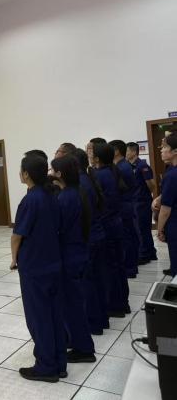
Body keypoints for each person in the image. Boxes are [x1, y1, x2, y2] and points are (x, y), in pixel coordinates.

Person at [11, 155, 66, 382]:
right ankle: (59, 363)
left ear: (26, 174)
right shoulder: (52, 195)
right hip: (53, 262)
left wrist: (13, 258)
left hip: (34, 266)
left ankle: (46, 366)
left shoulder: (30, 200)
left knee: (38, 317)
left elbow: (17, 235)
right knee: (54, 315)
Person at [50, 155, 96, 362]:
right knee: (74, 302)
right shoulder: (76, 191)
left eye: (53, 170)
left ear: (60, 173)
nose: (50, 173)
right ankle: (77, 341)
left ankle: (84, 349)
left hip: (70, 256)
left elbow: (58, 227)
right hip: (78, 252)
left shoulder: (66, 197)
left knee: (72, 305)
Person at [92, 142, 130, 317]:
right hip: (116, 222)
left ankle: (115, 306)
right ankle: (123, 302)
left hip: (107, 225)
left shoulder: (100, 175)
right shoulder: (113, 171)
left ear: (97, 158)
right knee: (118, 265)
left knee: (111, 267)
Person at [74, 148, 109, 335]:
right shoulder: (87, 178)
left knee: (88, 282)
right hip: (96, 235)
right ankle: (100, 319)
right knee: (96, 279)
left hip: (89, 239)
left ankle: (94, 323)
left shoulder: (80, 184)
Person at [109, 139, 139, 278]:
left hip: (124, 205)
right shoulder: (122, 165)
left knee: (127, 238)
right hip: (126, 204)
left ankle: (130, 268)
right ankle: (131, 266)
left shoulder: (121, 167)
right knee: (129, 237)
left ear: (116, 151)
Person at [126, 142, 157, 263]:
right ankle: (151, 252)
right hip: (135, 201)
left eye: (127, 151)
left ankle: (144, 254)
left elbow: (151, 185)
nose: (126, 153)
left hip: (142, 201)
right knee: (140, 228)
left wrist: (144, 195)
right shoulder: (129, 166)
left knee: (142, 229)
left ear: (134, 152)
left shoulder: (142, 165)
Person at [157, 133, 177, 277]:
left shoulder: (172, 175)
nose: (161, 150)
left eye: (165, 147)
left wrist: (159, 229)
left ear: (175, 151)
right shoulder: (171, 171)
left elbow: (165, 210)